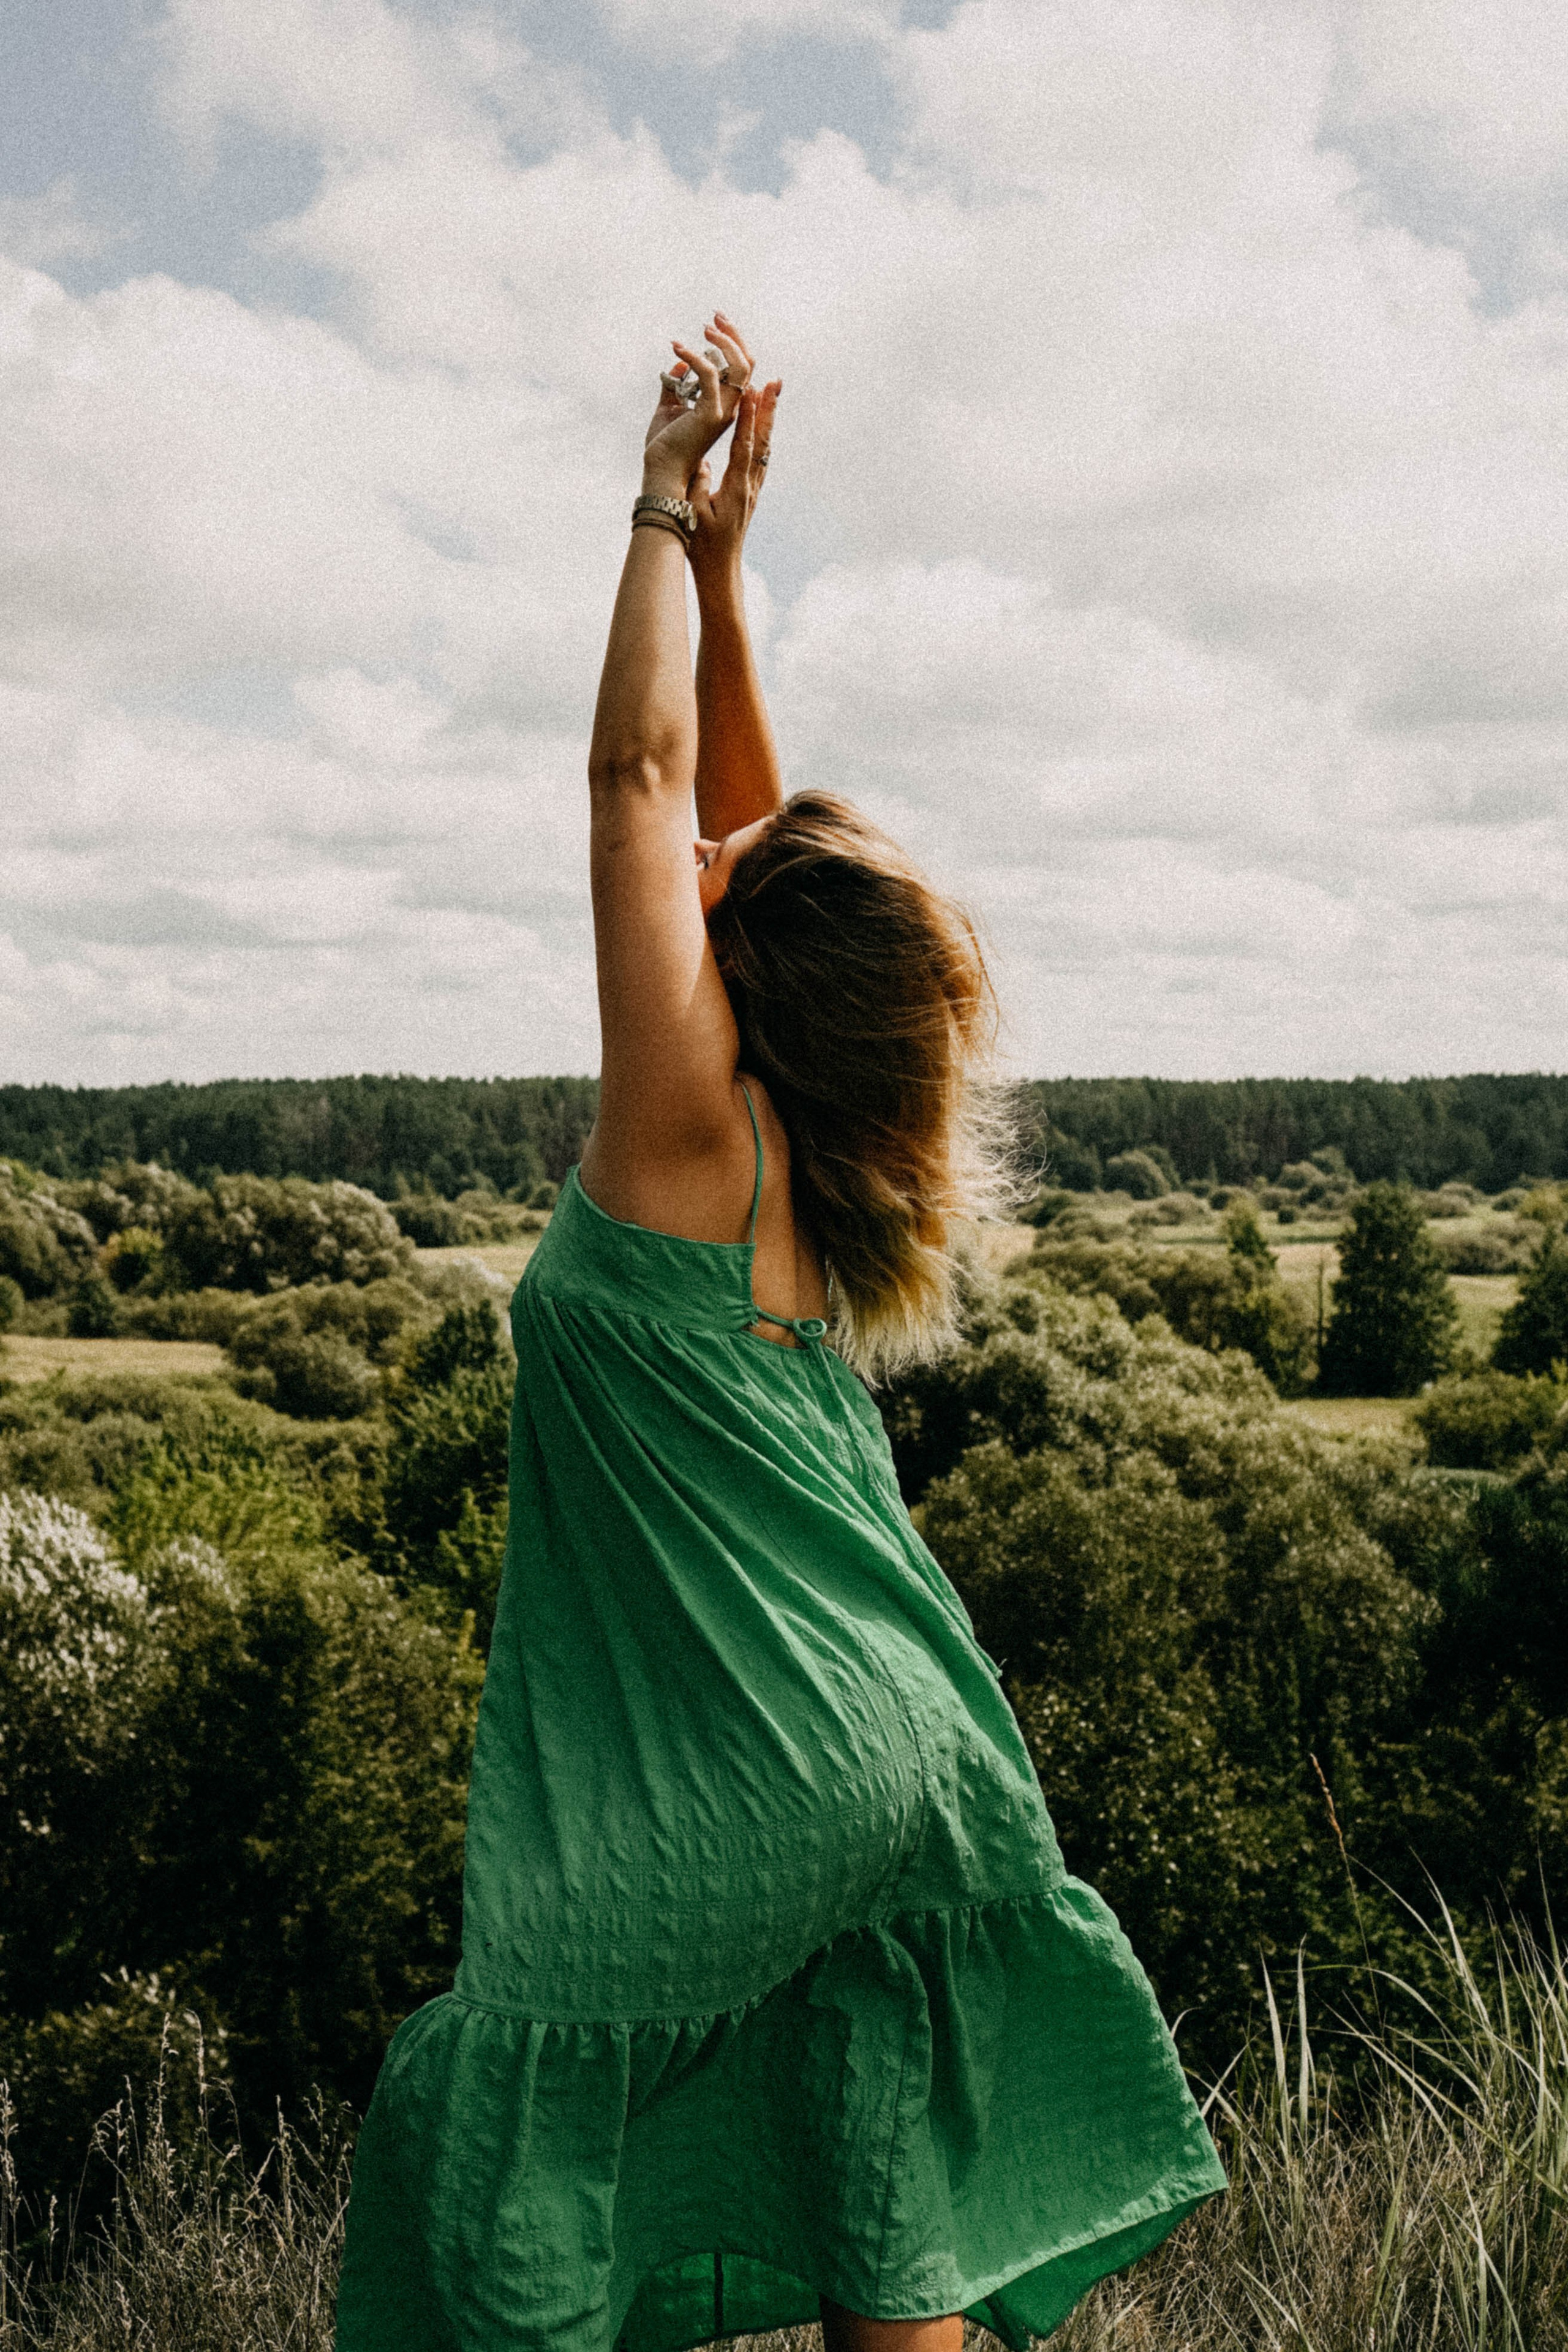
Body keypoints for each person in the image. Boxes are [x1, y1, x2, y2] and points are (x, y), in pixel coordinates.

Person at [336, 314, 1226, 2352]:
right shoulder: (827, 1177)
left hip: (724, 1783)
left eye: (731, 878)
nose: (704, 858)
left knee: (517, 2161)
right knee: (881, 2186)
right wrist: (737, 580)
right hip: (910, 1744)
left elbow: (640, 779)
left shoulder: (678, 1140)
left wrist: (654, 501)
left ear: (752, 973)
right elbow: (735, 820)